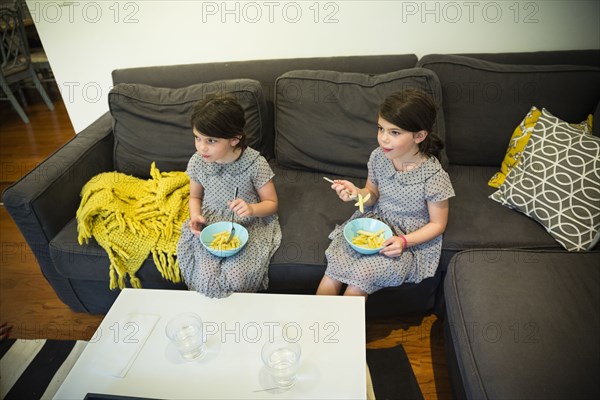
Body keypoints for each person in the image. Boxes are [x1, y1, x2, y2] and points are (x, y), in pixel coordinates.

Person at [316, 89, 455, 297]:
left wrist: (404, 241)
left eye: (394, 133)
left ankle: (343, 329)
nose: (383, 139)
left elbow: (437, 224)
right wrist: (356, 194)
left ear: (419, 136)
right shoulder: (379, 157)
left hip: (406, 240)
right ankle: (315, 327)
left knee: (360, 278)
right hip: (374, 225)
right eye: (381, 129)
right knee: (334, 269)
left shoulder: (434, 177)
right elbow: (372, 193)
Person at [177, 94, 282, 298]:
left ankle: (237, 319)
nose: (201, 147)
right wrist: (196, 216)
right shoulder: (198, 161)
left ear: (234, 139)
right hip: (211, 222)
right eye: (197, 138)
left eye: (211, 141)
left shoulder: (255, 163)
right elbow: (195, 198)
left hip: (247, 223)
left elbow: (272, 203)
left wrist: (252, 209)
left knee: (237, 278)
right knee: (204, 277)